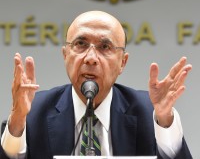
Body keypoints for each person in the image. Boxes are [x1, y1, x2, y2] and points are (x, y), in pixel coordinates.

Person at [0, 10, 192, 159]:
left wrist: (165, 121)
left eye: (105, 47)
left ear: (122, 63)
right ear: (66, 55)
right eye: (81, 44)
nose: (91, 58)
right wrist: (17, 121)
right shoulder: (32, 112)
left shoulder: (150, 113)